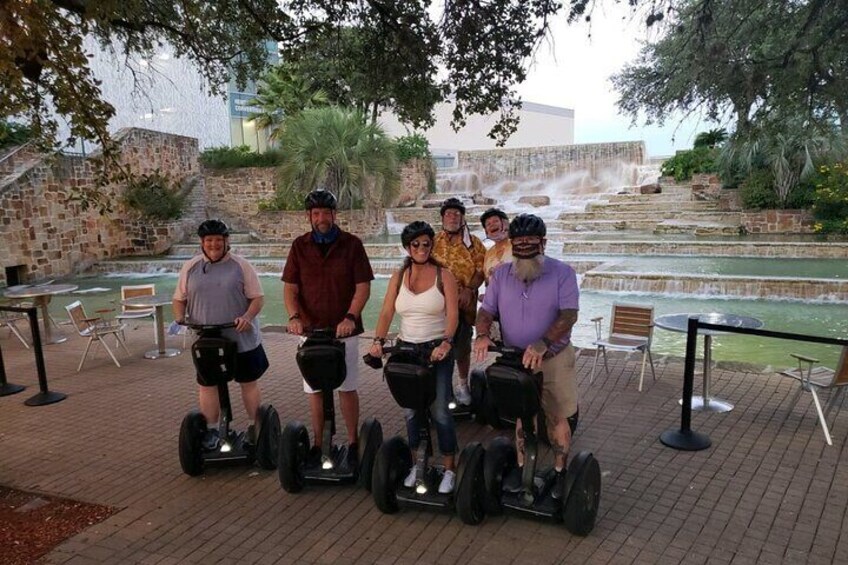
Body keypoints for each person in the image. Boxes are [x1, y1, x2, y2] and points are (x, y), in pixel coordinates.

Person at [472, 213, 579, 499]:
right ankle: (523, 469)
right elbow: (486, 311)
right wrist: (481, 334)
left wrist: (544, 343)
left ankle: (559, 472)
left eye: (531, 242)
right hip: (516, 359)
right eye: (518, 242)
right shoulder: (502, 275)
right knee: (523, 415)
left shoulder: (562, 273)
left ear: (543, 243)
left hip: (553, 358)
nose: (524, 247)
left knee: (556, 416)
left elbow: (569, 315)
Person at [282, 188, 373, 466]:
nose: (321, 217)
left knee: (346, 387)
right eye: (316, 213)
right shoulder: (299, 246)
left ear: (334, 214)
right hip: (310, 333)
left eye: (326, 212)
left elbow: (362, 287)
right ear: (310, 216)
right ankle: (320, 442)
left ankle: (354, 441)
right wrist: (294, 317)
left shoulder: (352, 244)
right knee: (315, 390)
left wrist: (350, 317)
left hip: (343, 332)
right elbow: (290, 289)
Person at [369, 221, 460, 493]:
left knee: (440, 411)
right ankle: (417, 464)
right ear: (408, 247)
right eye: (416, 244)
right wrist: (378, 341)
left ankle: (449, 469)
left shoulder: (445, 276)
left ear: (432, 245)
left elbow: (453, 316)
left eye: (426, 244)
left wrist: (446, 342)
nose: (421, 248)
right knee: (411, 411)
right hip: (406, 349)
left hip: (435, 350)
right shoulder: (399, 275)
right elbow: (386, 312)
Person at [173, 219, 270, 450]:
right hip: (206, 340)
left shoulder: (240, 265)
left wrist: (246, 317)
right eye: (209, 240)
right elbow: (179, 299)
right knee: (208, 385)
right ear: (202, 243)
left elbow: (257, 298)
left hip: (240, 338)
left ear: (226, 241)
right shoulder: (191, 267)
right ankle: (211, 430)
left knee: (247, 382)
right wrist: (180, 317)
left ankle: (254, 427)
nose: (213, 244)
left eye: (218, 240)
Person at [431, 197, 486, 406]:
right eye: (448, 214)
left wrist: (470, 289)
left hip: (463, 306)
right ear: (442, 218)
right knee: (436, 346)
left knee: (462, 349)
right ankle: (439, 388)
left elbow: (482, 270)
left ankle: (463, 385)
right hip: (438, 306)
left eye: (456, 214)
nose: (452, 217)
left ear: (463, 218)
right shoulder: (434, 241)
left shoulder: (475, 244)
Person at [480, 207, 512, 284]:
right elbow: (488, 281)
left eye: (495, 221)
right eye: (488, 224)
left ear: (506, 223)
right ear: (486, 231)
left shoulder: (519, 245)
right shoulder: (488, 254)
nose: (492, 225)